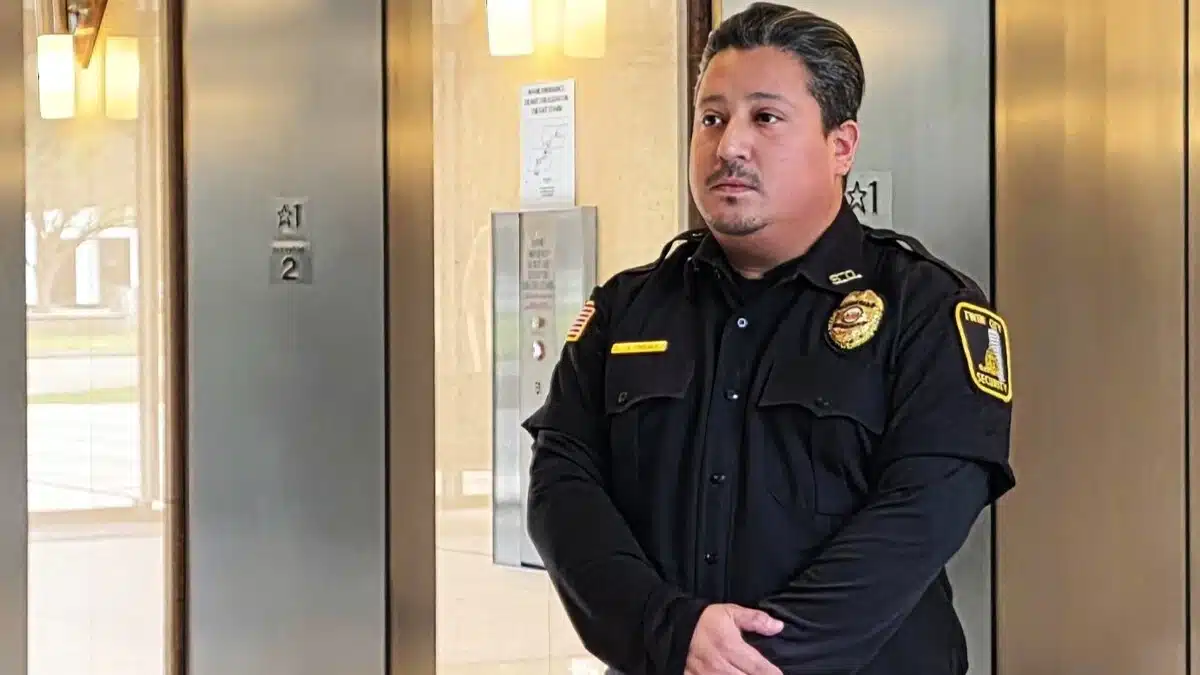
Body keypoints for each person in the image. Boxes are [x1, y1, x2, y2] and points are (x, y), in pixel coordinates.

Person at [521, 3, 1016, 674]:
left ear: (841, 146)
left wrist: (751, 660)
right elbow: (563, 488)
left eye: (766, 118)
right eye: (712, 118)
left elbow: (921, 514)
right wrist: (669, 630)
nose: (729, 146)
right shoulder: (626, 309)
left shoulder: (927, 309)